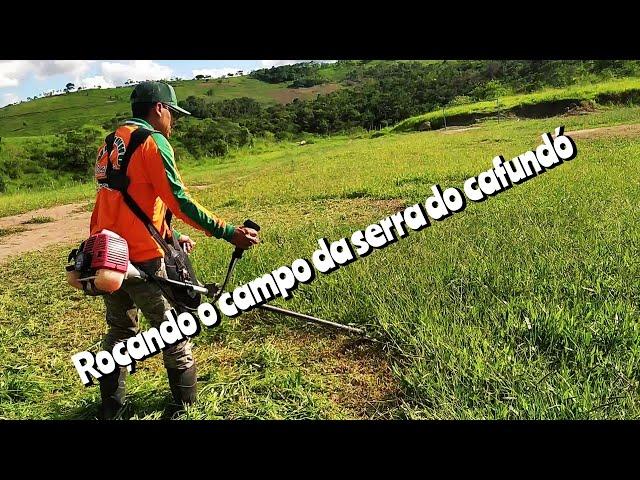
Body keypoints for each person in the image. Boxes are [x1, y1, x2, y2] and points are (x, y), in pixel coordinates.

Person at [90, 81, 259, 419]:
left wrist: (171, 233)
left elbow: (128, 201)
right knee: (172, 330)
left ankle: (110, 409)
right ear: (159, 109)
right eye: (173, 114)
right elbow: (178, 199)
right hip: (142, 257)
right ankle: (185, 408)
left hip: (106, 255)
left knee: (120, 331)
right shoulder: (153, 142)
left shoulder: (112, 141)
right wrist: (228, 232)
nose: (173, 122)